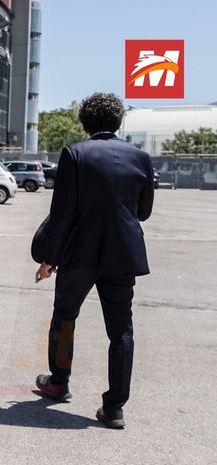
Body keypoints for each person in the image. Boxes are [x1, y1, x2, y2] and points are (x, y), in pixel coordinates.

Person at [32, 92, 153, 429]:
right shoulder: (141, 157)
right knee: (121, 330)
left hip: (79, 254)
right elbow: (143, 211)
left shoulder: (75, 154)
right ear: (118, 120)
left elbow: (62, 214)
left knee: (64, 317)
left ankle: (58, 382)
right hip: (122, 254)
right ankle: (114, 408)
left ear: (84, 122)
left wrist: (48, 257)